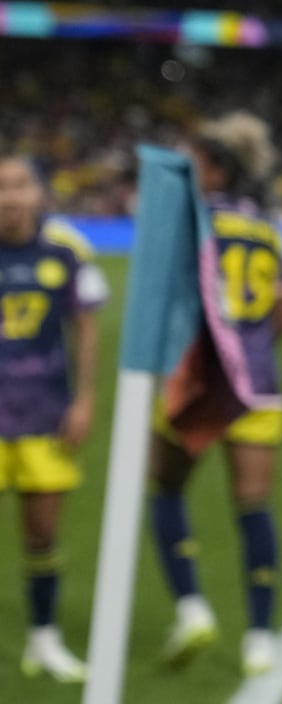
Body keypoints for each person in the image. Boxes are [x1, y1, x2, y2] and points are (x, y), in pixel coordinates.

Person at [147, 111, 282, 676]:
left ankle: (191, 607)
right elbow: (281, 316)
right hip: (258, 383)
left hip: (199, 378)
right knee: (252, 506)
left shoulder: (186, 223)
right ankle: (260, 637)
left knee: (165, 489)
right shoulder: (265, 229)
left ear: (213, 170)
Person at [0, 155, 109, 683]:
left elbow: (85, 327)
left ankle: (44, 640)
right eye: (1, 188)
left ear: (39, 193)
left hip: (45, 412)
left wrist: (84, 399)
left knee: (42, 535)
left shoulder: (66, 249)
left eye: (20, 186)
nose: (11, 197)